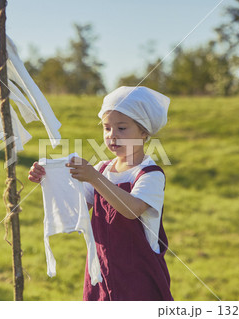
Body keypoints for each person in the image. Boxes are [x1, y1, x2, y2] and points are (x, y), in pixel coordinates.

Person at [28, 86, 173, 301]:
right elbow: (75, 209)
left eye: (122, 128)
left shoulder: (149, 174)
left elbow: (132, 210)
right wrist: (47, 180)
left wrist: (94, 178)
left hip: (138, 278)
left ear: (144, 132)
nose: (112, 135)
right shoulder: (103, 169)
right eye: (107, 128)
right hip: (102, 273)